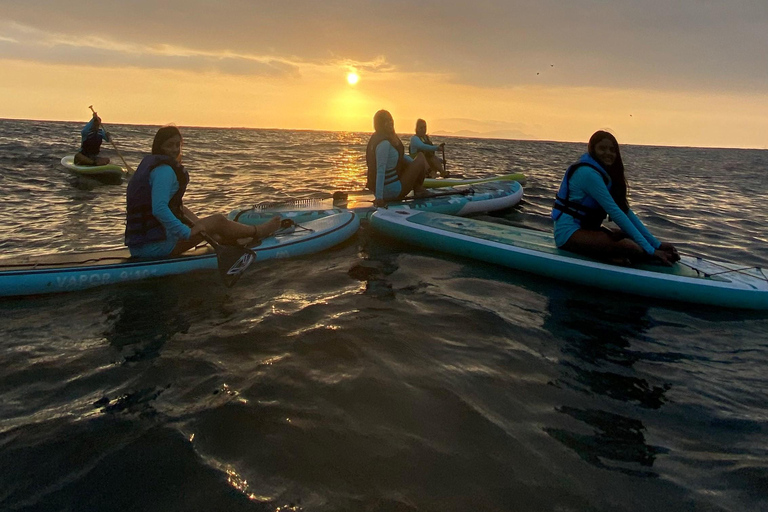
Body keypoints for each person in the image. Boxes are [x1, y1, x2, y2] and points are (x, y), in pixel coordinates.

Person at [125, 125, 281, 258]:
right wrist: (187, 233)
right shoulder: (164, 171)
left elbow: (177, 208)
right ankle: (258, 231)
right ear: (159, 147)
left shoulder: (152, 166)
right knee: (218, 220)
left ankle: (228, 238)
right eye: (169, 145)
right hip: (156, 247)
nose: (174, 149)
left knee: (212, 228)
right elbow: (159, 209)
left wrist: (200, 226)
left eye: (177, 145)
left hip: (141, 247)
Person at [551, 130, 679, 266]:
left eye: (612, 150)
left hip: (587, 230)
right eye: (602, 148)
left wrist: (656, 244)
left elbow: (625, 211)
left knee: (631, 239)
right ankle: (610, 258)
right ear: (592, 150)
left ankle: (615, 256)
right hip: (568, 233)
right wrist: (651, 251)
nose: (608, 153)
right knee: (632, 247)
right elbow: (615, 212)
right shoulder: (587, 174)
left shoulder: (603, 174)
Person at [365, 110, 432, 207]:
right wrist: (379, 199)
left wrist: (416, 166)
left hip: (386, 190)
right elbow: (380, 170)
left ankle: (418, 188)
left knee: (417, 162)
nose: (390, 123)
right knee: (421, 157)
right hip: (391, 191)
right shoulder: (384, 143)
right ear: (379, 124)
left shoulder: (379, 138)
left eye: (390, 119)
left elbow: (401, 156)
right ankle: (418, 190)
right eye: (385, 121)